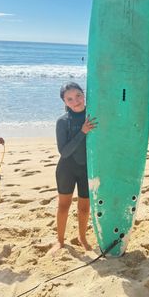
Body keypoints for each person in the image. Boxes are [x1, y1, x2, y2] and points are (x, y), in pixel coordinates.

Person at [49, 82, 97, 255]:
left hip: (86, 169)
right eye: (70, 99)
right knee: (64, 206)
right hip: (67, 169)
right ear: (65, 101)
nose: (75, 101)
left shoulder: (93, 115)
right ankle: (60, 241)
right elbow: (64, 151)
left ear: (84, 94)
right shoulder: (62, 122)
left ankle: (82, 237)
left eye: (78, 95)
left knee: (84, 208)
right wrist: (83, 131)